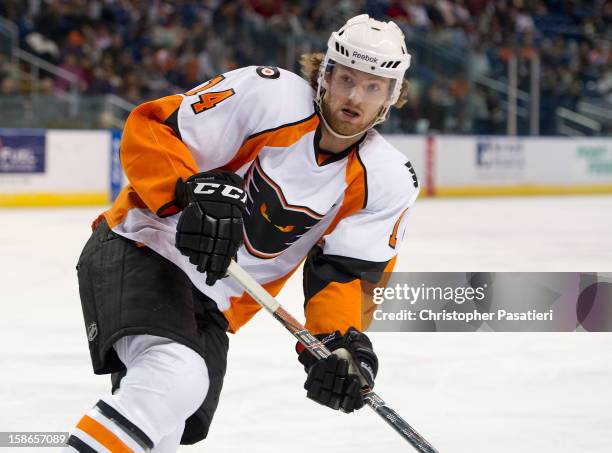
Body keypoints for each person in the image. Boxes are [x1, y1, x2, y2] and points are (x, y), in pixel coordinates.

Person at [64, 14, 419, 453]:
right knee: (177, 374)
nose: (353, 96)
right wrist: (187, 197)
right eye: (345, 78)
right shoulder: (269, 95)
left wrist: (340, 346)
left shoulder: (387, 180)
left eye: (372, 87)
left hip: (212, 301)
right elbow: (153, 129)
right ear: (324, 74)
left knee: (165, 427)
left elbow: (343, 275)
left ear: (392, 96)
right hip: (143, 243)